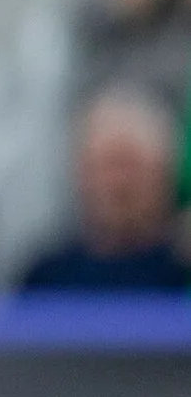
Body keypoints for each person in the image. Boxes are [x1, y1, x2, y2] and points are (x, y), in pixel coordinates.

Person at [24, 87, 189, 290]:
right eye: (108, 165)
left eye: (131, 165)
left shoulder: (182, 270)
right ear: (81, 173)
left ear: (163, 172)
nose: (119, 183)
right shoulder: (47, 278)